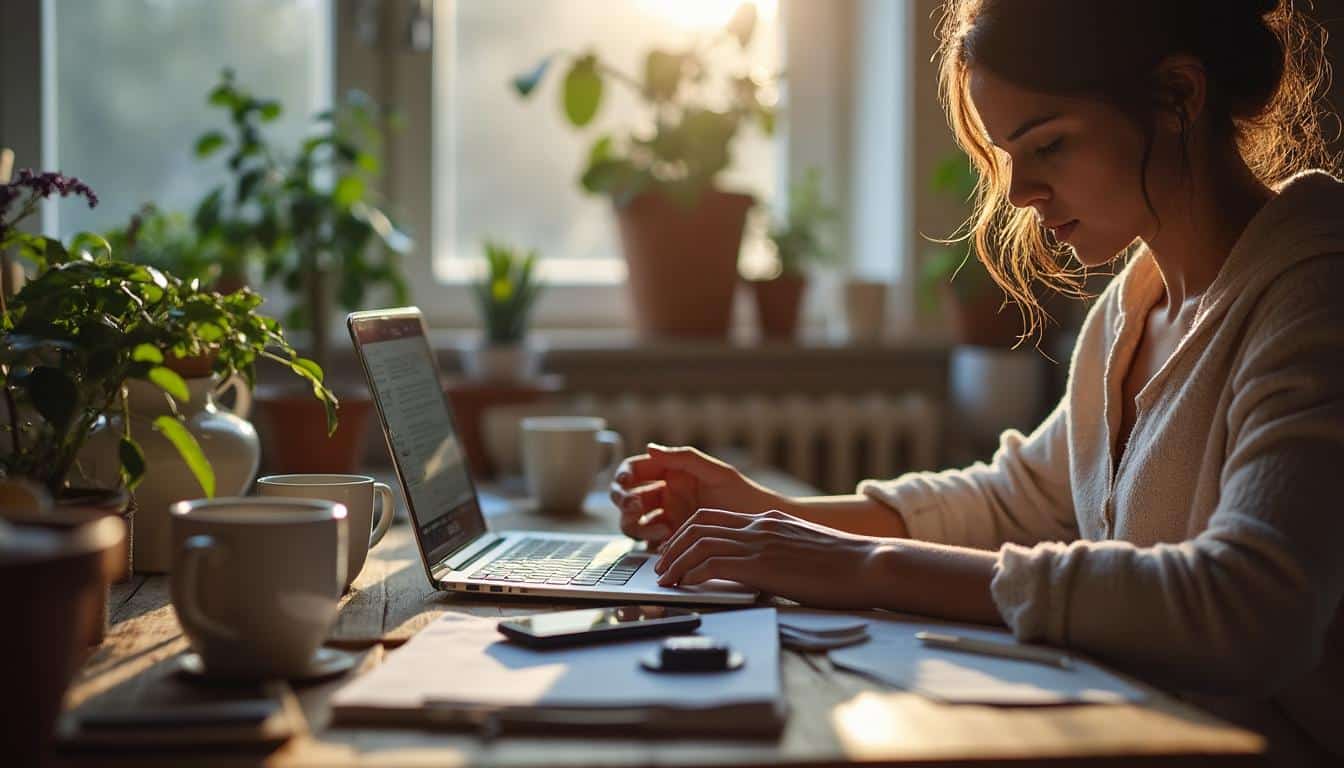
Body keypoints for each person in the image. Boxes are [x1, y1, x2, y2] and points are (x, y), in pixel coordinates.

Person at [609, 0, 1344, 764]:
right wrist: (773, 516)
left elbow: (1251, 608)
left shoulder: (1317, 293)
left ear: (1179, 95)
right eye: (1008, 154)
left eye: (1050, 144)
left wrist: (865, 566)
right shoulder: (1135, 306)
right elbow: (1014, 503)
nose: (1020, 190)